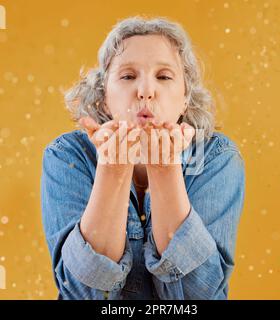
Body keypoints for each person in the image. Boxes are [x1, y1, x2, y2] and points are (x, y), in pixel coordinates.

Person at [41, 16, 245, 300]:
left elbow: (199, 296)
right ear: (103, 98)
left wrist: (165, 169)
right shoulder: (65, 155)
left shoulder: (217, 157)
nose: (146, 91)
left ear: (186, 97)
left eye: (163, 77)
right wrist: (113, 171)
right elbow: (82, 294)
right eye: (127, 76)